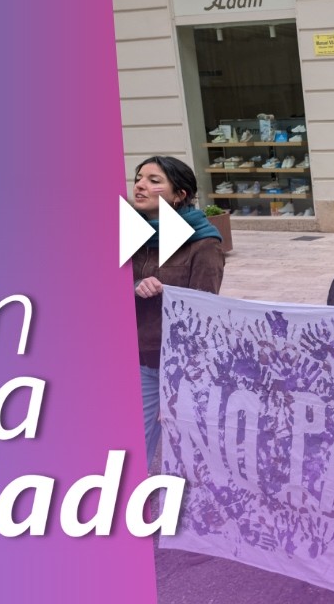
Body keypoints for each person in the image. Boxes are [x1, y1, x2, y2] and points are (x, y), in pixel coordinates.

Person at [131, 156, 225, 466]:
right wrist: (134, 285)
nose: (140, 185)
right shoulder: (128, 234)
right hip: (133, 355)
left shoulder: (204, 243)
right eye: (139, 178)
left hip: (174, 364)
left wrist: (180, 378)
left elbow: (202, 312)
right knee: (133, 444)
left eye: (154, 180)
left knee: (188, 450)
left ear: (179, 194)